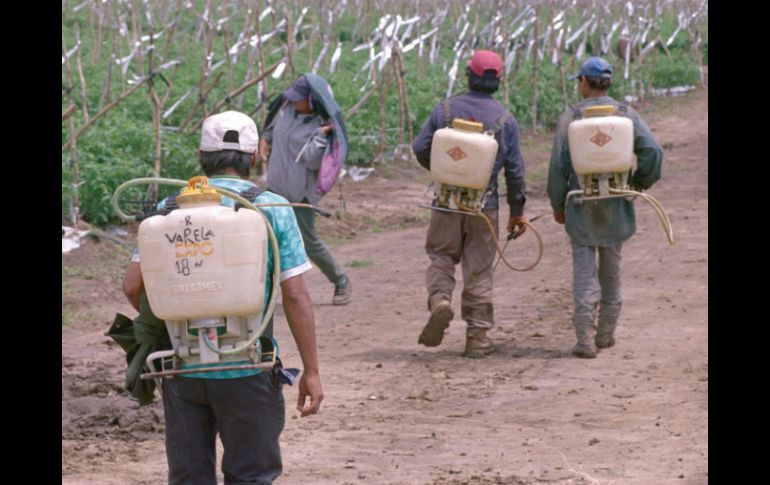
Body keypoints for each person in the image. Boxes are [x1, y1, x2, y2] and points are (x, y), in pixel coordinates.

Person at [122, 110, 324, 484]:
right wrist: (311, 371)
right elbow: (295, 296)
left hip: (182, 369)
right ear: (255, 156)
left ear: (201, 155)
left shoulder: (168, 210)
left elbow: (132, 286)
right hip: (248, 368)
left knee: (189, 478)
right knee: (252, 475)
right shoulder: (272, 208)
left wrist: (172, 320)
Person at [412, 50, 528, 358]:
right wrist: (517, 213)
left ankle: (440, 300)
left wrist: (441, 169)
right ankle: (477, 337)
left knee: (441, 257)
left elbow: (420, 147)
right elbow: (515, 173)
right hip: (483, 207)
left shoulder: (445, 110)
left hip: (445, 202)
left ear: (469, 75)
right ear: (498, 81)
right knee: (479, 270)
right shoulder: (505, 120)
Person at [547, 57, 664, 358]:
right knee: (611, 270)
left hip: (580, 203)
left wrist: (558, 204)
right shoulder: (626, 115)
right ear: (608, 83)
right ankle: (606, 333)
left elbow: (558, 168)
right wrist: (638, 184)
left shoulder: (570, 118)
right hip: (616, 203)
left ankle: (584, 340)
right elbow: (653, 152)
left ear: (584, 82)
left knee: (583, 273)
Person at [259, 74, 352, 305]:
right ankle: (262, 294)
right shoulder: (286, 111)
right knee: (267, 240)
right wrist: (265, 139)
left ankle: (341, 281)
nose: (293, 101)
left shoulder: (323, 126)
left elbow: (311, 162)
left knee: (309, 242)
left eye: (298, 98)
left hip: (300, 195)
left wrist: (319, 138)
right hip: (275, 190)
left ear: (311, 100)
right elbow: (273, 128)